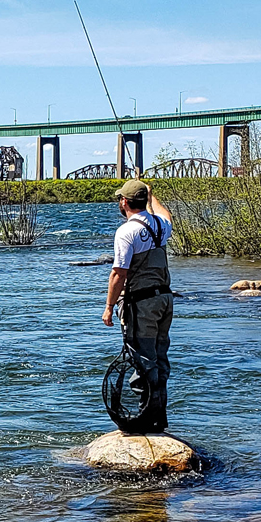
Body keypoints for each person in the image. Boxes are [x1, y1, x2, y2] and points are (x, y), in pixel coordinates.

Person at [102, 179, 174, 433]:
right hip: (165, 300)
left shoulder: (126, 231)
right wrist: (152, 196)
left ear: (124, 202)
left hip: (141, 303)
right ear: (144, 200)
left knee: (143, 360)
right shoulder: (160, 224)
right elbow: (166, 213)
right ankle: (159, 417)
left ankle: (146, 419)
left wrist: (109, 306)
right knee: (159, 358)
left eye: (120, 199)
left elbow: (118, 274)